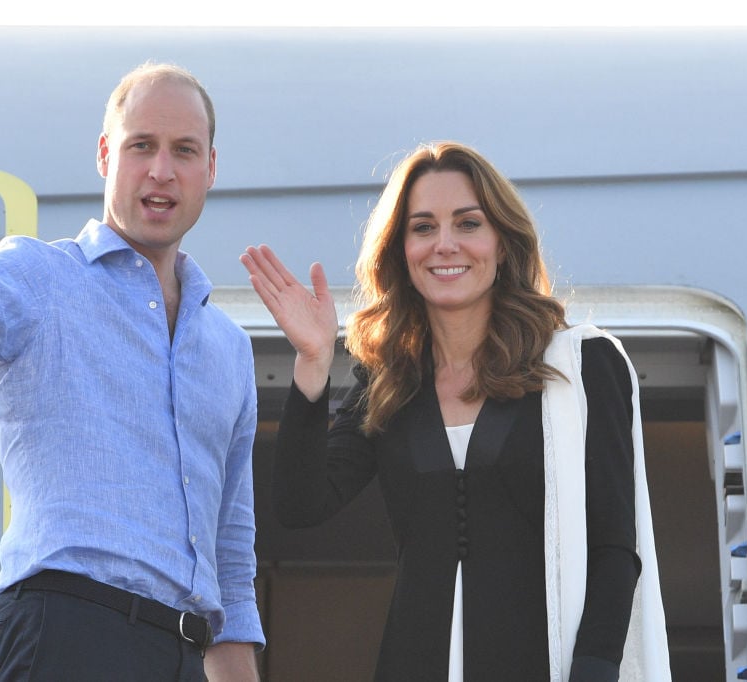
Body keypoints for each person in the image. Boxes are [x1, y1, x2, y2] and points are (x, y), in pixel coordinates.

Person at [0, 26, 263, 681]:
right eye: (141, 147)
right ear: (106, 156)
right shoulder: (44, 278)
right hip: (66, 635)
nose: (162, 170)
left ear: (210, 168)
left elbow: (231, 558)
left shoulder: (228, 348)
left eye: (184, 150)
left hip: (186, 655)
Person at [240, 142, 671, 681]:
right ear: (400, 251)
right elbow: (300, 505)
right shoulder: (389, 381)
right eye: (423, 228)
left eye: (467, 224)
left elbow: (614, 549)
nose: (445, 245)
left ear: (502, 242)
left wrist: (591, 671)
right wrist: (312, 360)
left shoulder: (582, 366)